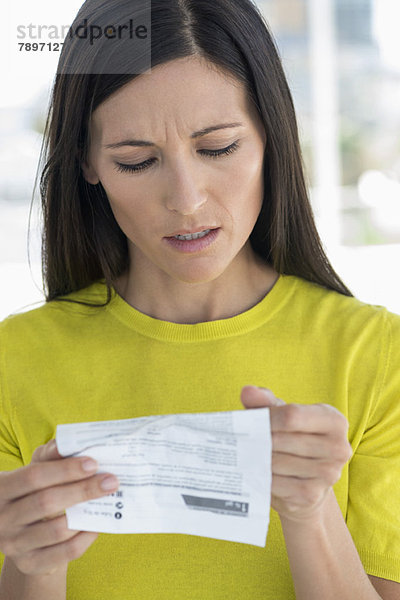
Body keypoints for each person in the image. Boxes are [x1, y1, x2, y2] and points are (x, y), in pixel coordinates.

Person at [0, 0, 399, 598]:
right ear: (86, 162)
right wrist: (36, 564)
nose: (185, 200)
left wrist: (310, 511)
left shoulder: (376, 356)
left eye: (217, 149)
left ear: (271, 135)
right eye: (137, 161)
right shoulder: (13, 363)